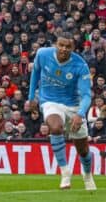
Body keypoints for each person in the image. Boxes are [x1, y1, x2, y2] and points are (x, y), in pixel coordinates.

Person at [28, 32, 95, 191]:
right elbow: (35, 72)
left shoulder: (80, 65)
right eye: (61, 45)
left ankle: (87, 174)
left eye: (68, 46)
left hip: (73, 106)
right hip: (50, 101)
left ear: (73, 47)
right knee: (55, 127)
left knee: (83, 150)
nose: (64, 49)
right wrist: (31, 97)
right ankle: (65, 172)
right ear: (56, 44)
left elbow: (86, 95)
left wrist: (80, 114)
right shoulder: (43, 54)